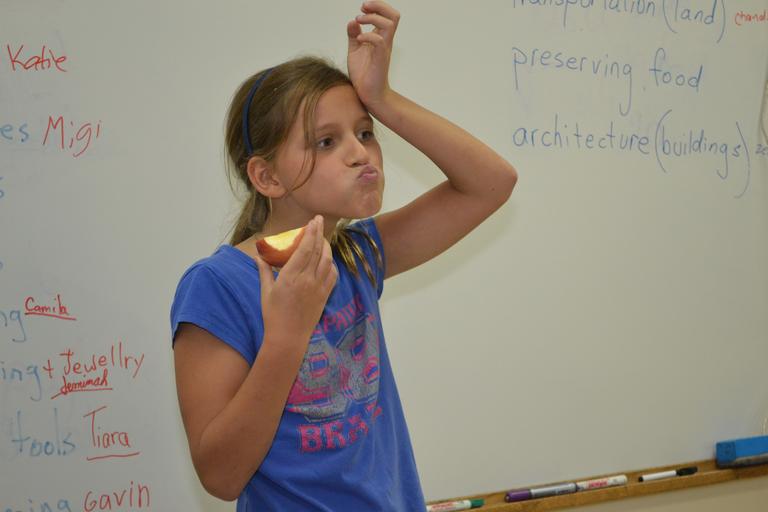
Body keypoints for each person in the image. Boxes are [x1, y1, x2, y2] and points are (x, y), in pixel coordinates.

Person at [170, 1, 517, 510]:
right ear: (266, 176)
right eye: (326, 142)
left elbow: (492, 182)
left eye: (365, 132)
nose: (360, 153)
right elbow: (221, 476)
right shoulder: (217, 286)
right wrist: (287, 335)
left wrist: (382, 97)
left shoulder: (356, 255)